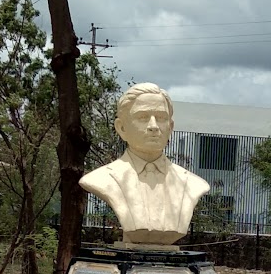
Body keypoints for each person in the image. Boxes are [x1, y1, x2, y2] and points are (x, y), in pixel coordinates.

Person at [80, 83, 210, 245]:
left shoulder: (193, 184)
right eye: (142, 117)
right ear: (121, 128)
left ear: (170, 127)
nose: (153, 126)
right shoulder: (101, 179)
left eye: (161, 118)